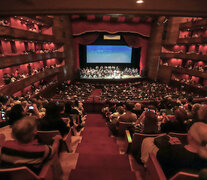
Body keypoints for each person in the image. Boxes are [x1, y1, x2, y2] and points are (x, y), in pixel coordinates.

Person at [141, 122, 207, 178]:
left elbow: (159, 157)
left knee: (147, 141)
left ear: (191, 137)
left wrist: (173, 146)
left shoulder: (171, 152)